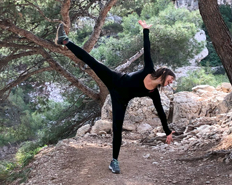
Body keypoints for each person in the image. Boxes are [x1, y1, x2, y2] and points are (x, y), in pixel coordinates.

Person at [57, 20, 175, 174]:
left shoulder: (154, 93)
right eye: (171, 79)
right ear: (164, 73)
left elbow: (160, 112)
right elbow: (147, 48)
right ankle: (64, 40)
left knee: (117, 129)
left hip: (121, 100)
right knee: (91, 61)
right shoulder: (149, 69)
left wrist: (167, 131)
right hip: (114, 79)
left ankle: (114, 161)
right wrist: (145, 30)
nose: (171, 83)